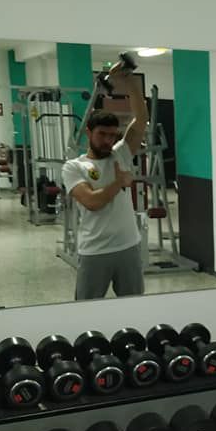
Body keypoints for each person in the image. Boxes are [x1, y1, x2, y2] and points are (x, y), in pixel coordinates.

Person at [62, 61, 148, 301]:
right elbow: (91, 201)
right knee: (87, 311)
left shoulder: (120, 154)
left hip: (128, 247)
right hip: (95, 251)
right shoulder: (73, 167)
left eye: (112, 135)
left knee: (133, 308)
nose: (108, 140)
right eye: (102, 134)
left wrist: (129, 82)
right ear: (89, 132)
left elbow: (140, 120)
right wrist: (118, 183)